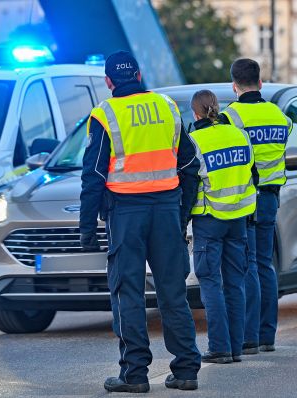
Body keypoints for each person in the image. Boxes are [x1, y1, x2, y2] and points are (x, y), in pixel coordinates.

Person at [79, 51, 201, 393]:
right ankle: (187, 370)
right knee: (173, 294)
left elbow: (94, 176)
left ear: (108, 81)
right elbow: (190, 166)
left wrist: (87, 226)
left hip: (126, 216)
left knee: (128, 293)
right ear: (139, 74)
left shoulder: (104, 115)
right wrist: (181, 215)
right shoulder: (167, 107)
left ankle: (134, 375)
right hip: (165, 211)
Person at [220, 58, 292, 355]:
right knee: (265, 264)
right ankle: (267, 336)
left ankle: (248, 337)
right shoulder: (278, 115)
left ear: (233, 85)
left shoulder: (231, 117)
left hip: (244, 199)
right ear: (260, 83)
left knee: (246, 265)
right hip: (270, 198)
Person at [187, 90, 257, 364]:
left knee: (211, 283)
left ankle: (219, 347)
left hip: (209, 220)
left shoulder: (195, 141)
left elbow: (190, 185)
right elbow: (254, 175)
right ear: (217, 108)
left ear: (195, 114)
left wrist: (181, 222)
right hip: (238, 219)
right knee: (234, 282)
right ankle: (236, 347)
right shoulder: (239, 135)